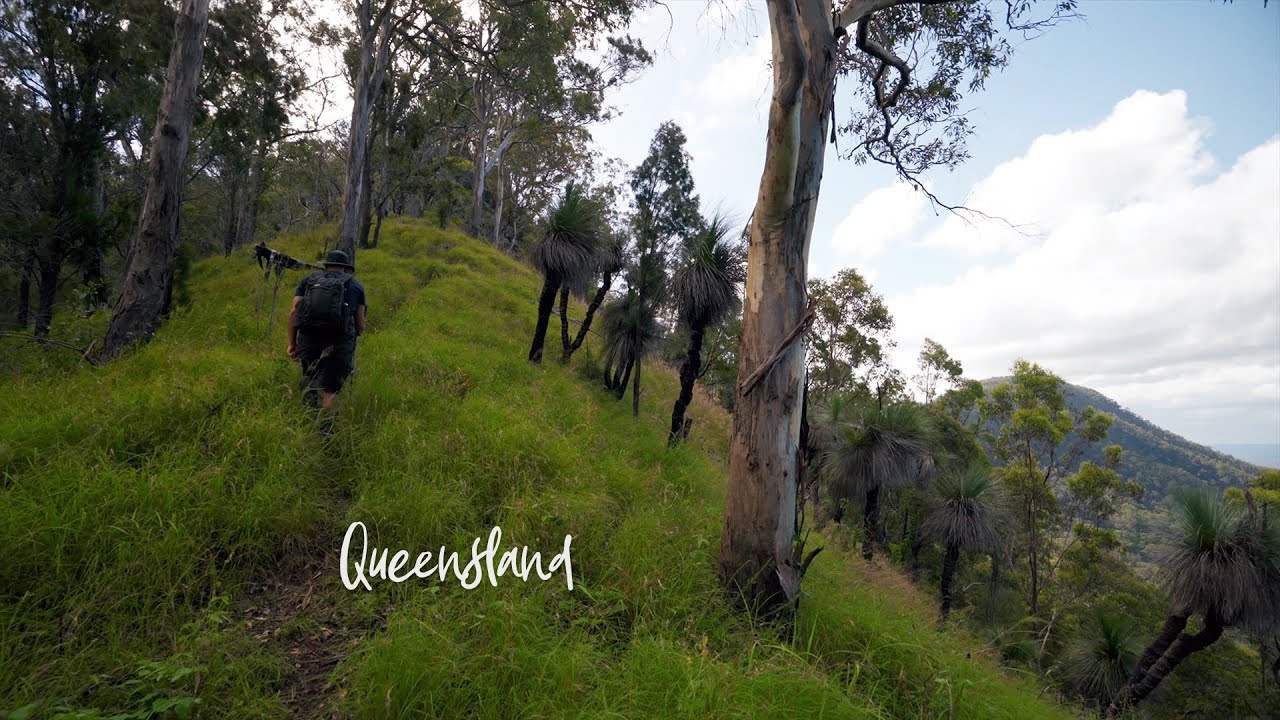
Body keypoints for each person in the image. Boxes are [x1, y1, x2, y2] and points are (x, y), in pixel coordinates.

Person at [287, 250, 367, 410]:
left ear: (327, 265)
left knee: (309, 378)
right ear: (345, 268)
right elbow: (360, 325)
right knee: (330, 389)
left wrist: (292, 343)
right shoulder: (356, 286)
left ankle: (308, 419)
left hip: (309, 340)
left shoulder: (308, 281)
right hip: (338, 344)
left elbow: (294, 312)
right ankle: (326, 431)